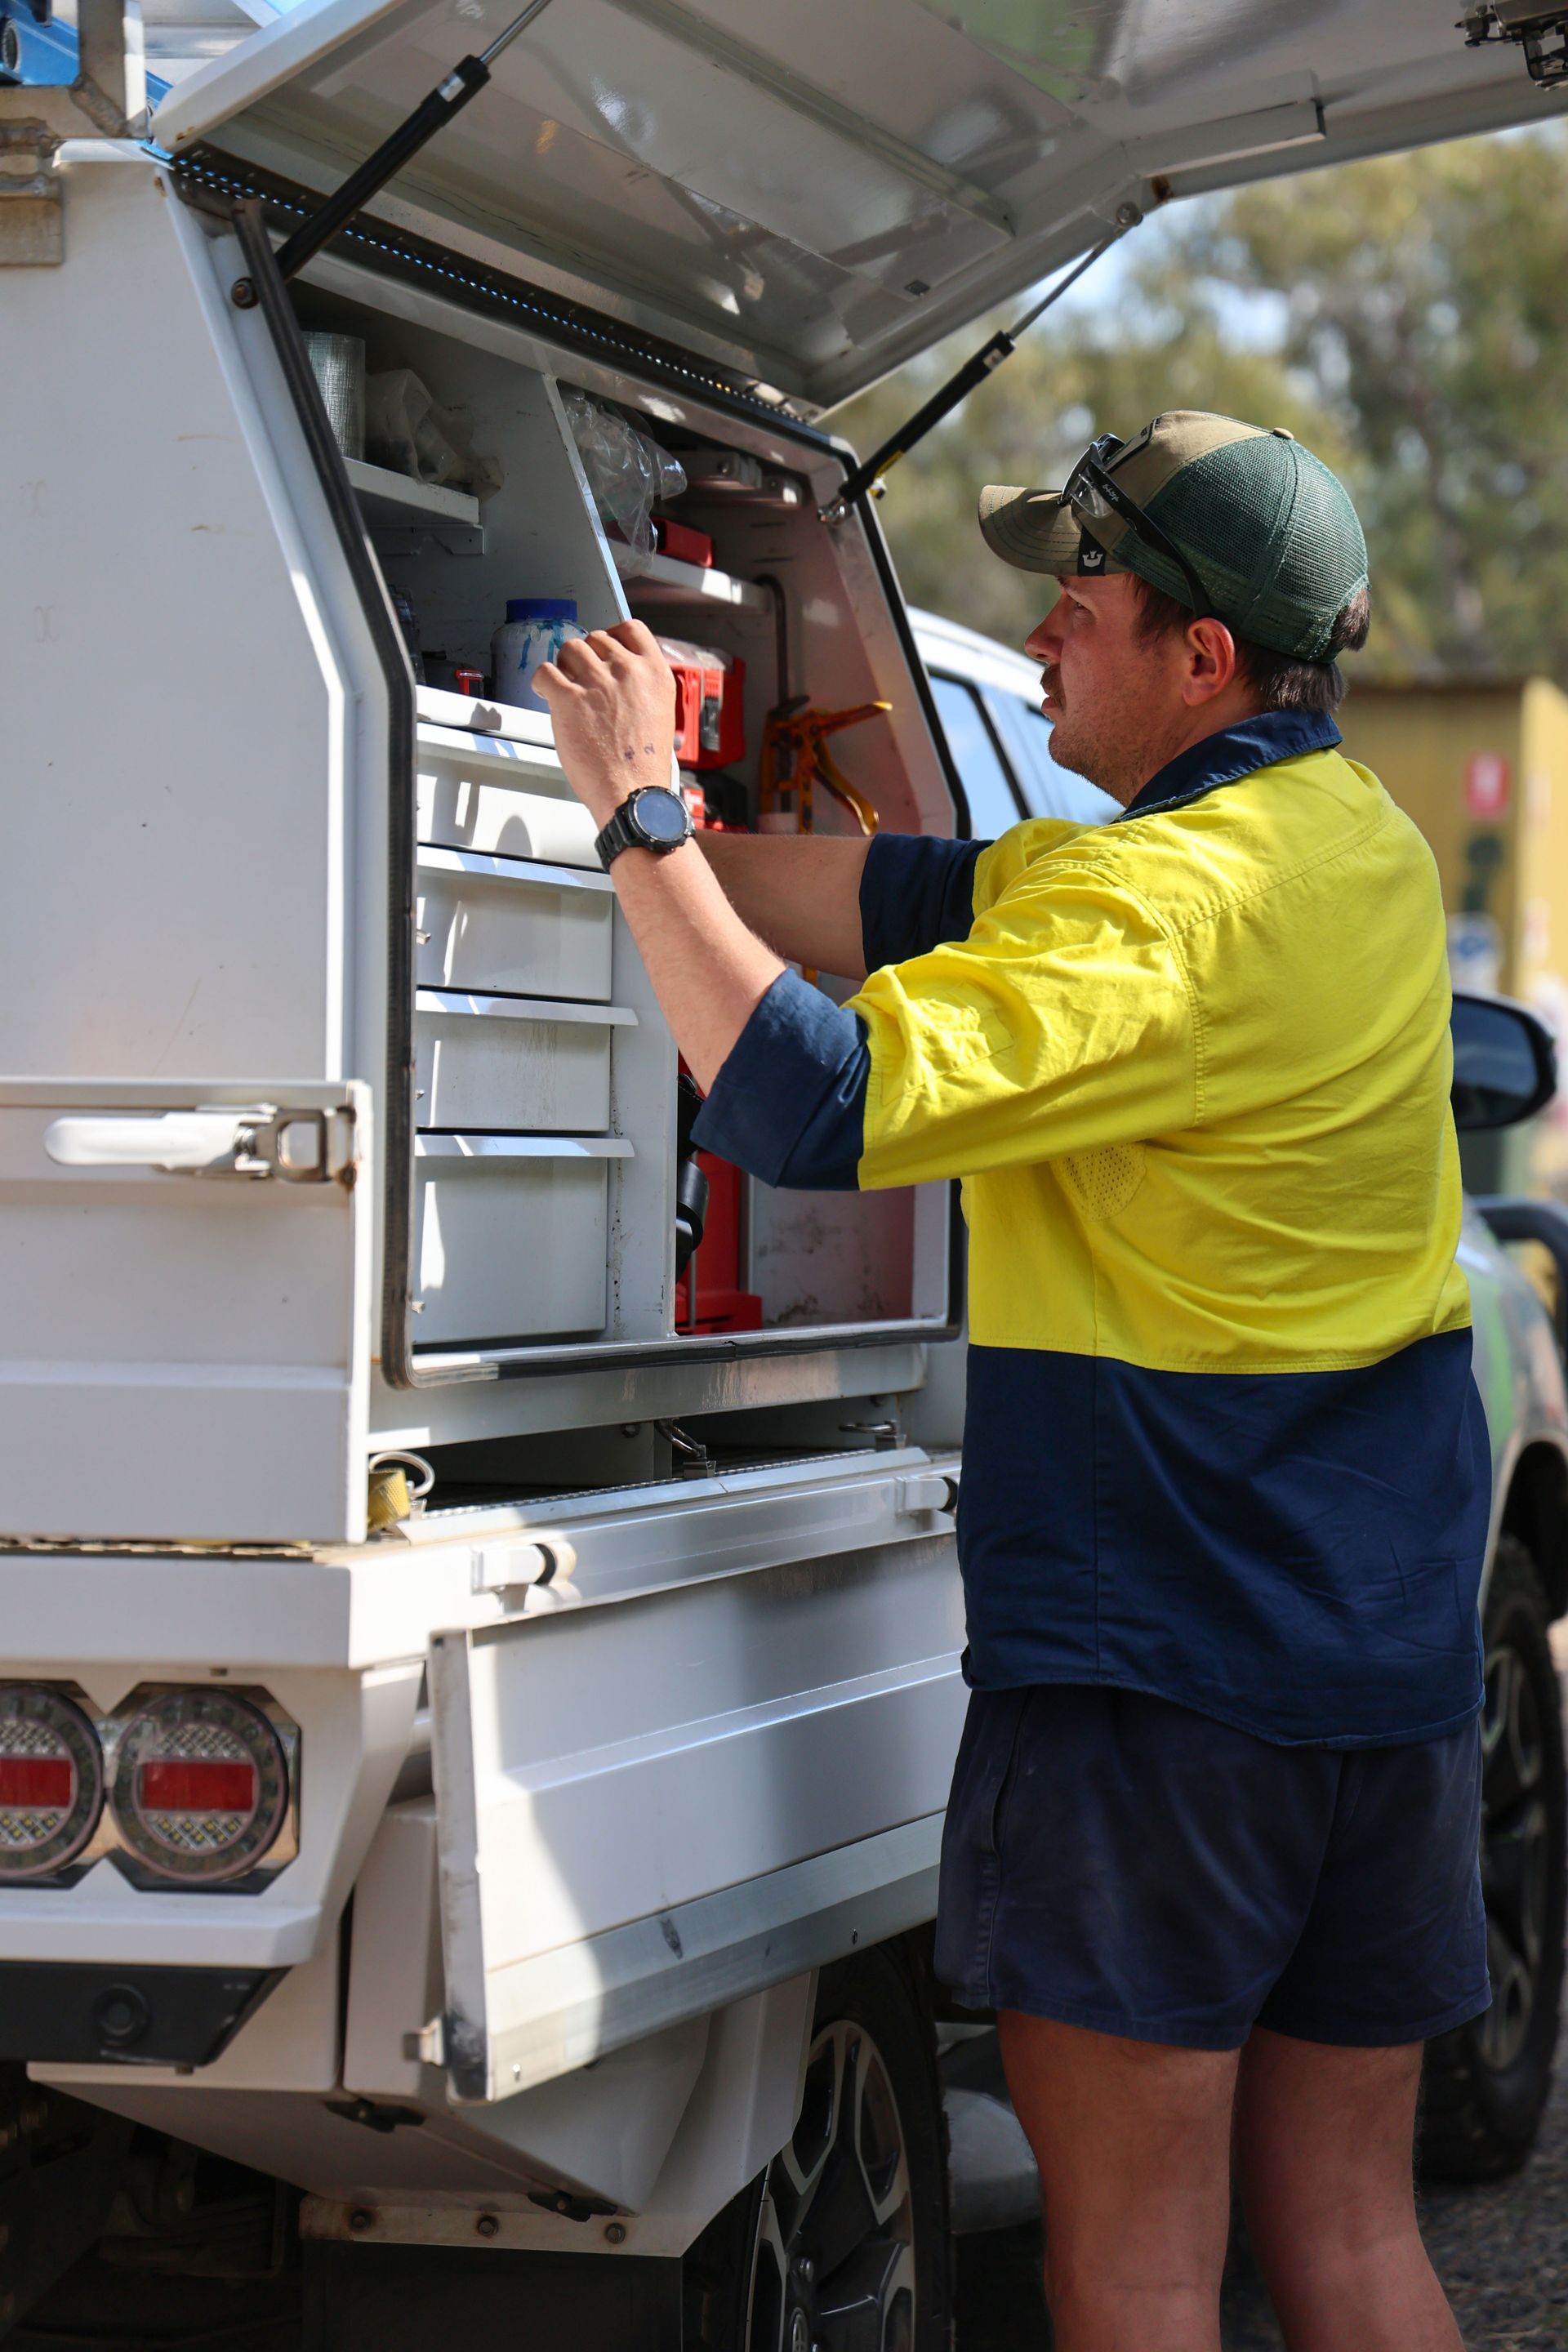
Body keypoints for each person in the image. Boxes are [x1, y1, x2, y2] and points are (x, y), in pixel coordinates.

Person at [536, 410, 1488, 2352]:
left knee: (1136, 2270)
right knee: (1354, 2243)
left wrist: (637, 821)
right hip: (1375, 1682)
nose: (1044, 633)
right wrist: (688, 849)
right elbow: (906, 903)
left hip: (1164, 1681)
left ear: (1200, 657)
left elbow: (810, 1104)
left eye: (1083, 598)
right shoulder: (1351, 846)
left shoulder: (1149, 914)